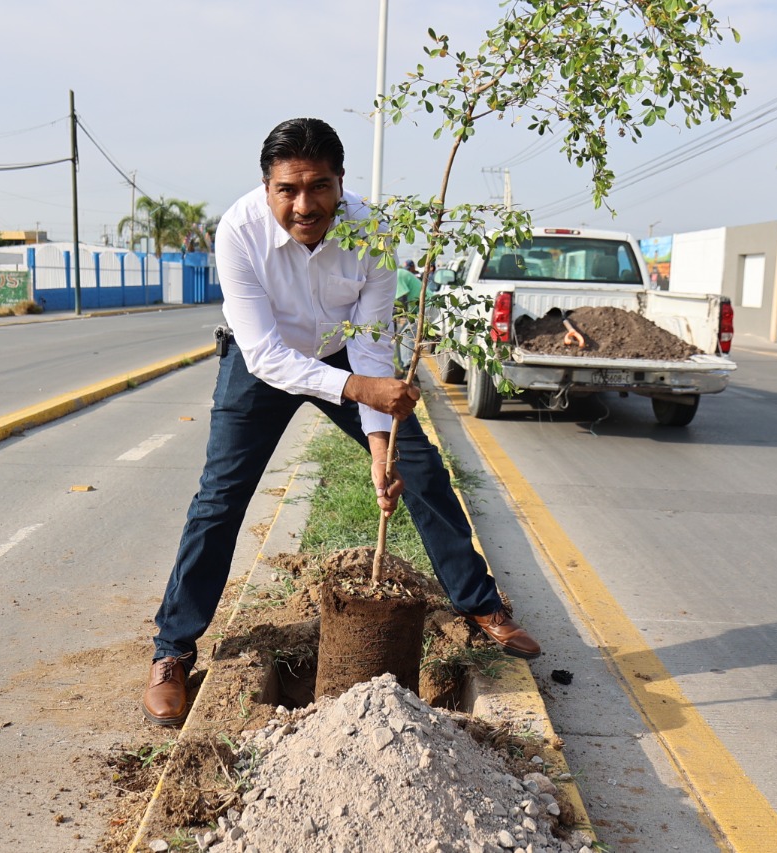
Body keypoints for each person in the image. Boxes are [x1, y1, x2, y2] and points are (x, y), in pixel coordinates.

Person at [143, 117, 541, 727]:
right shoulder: (239, 231)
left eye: (320, 187)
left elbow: (372, 345)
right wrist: (359, 389)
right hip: (262, 366)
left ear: (341, 182)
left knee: (420, 469)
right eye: (288, 190)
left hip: (345, 356)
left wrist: (380, 447)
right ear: (267, 186)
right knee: (220, 499)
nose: (305, 206)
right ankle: (172, 650)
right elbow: (266, 355)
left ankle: (481, 605)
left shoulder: (370, 231)